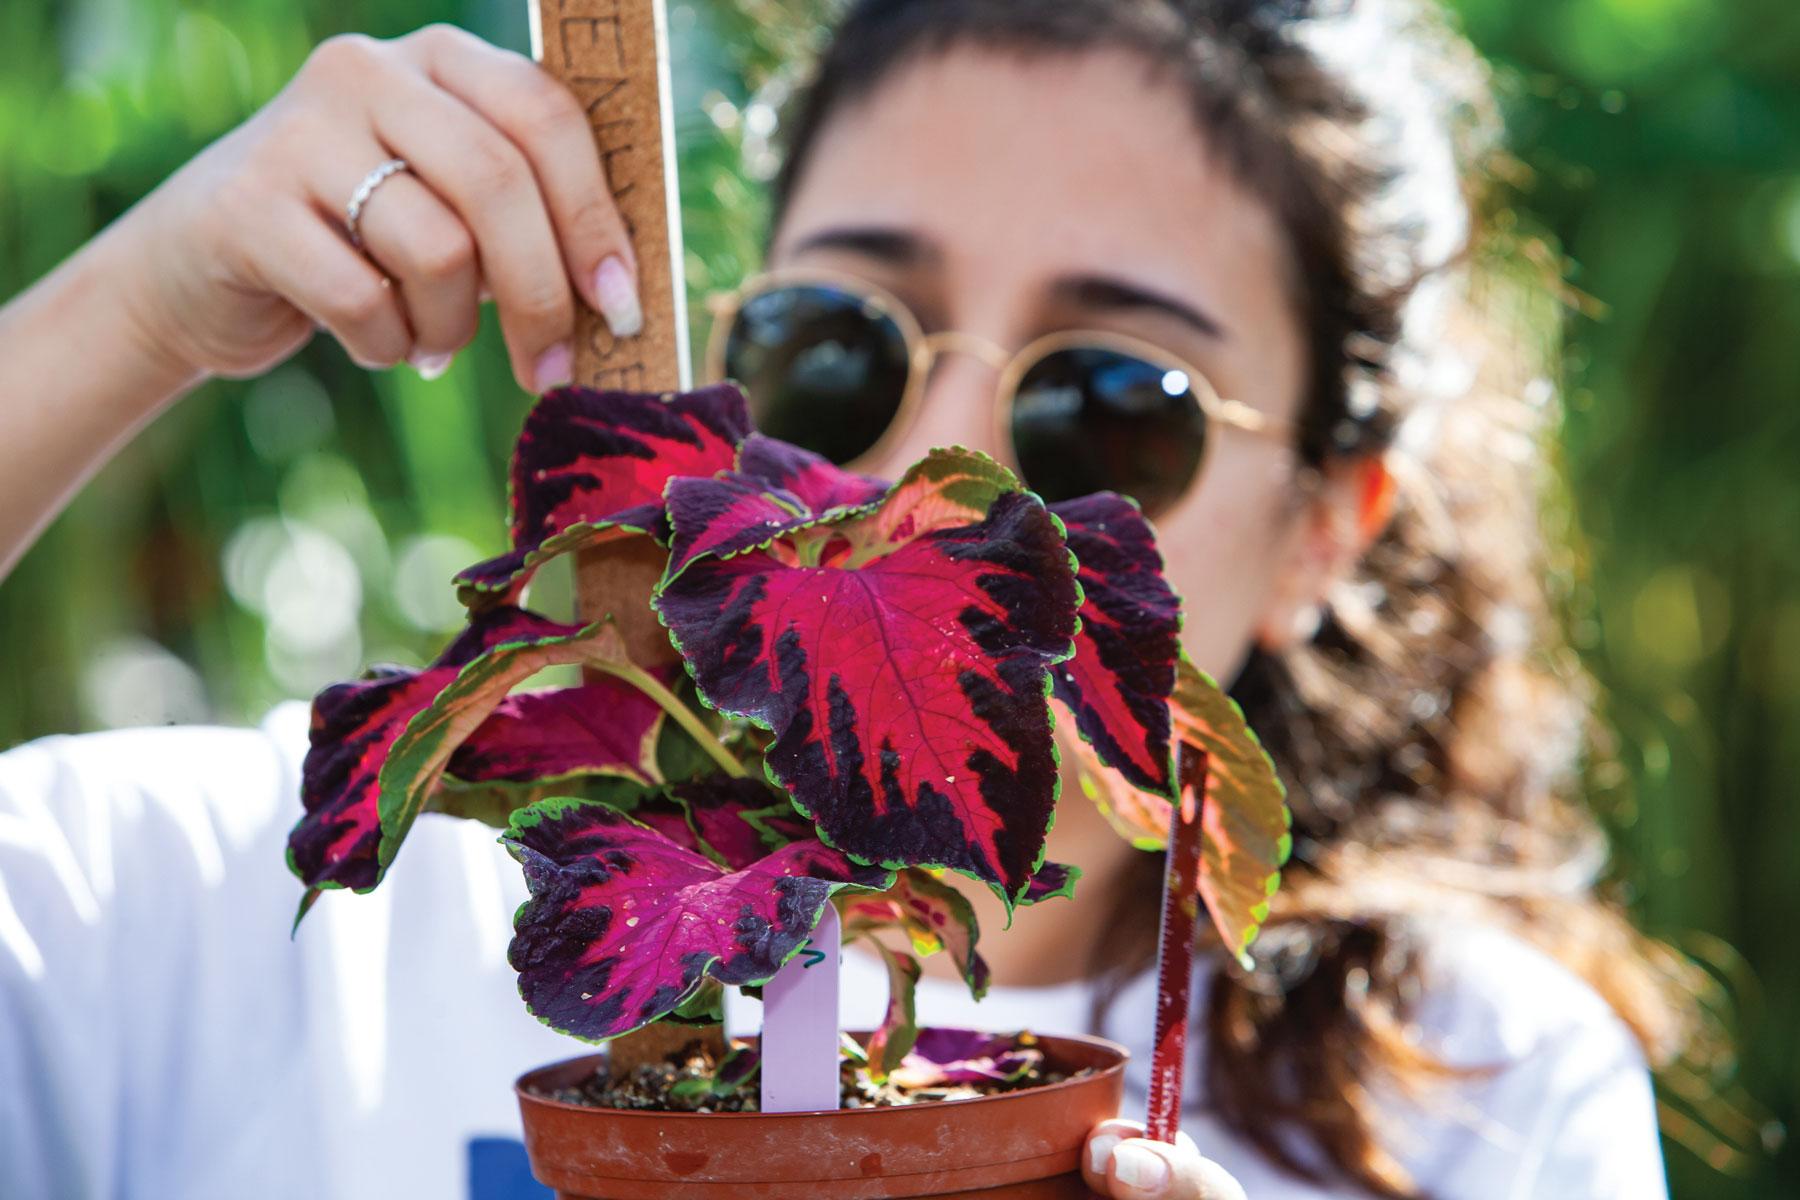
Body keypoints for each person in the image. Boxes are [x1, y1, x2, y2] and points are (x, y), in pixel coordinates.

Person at [0, 2, 1702, 1198]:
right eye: (840, 347)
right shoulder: (256, 914)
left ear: (1331, 524)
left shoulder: (1475, 1097)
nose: (929, 459)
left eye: (1107, 398)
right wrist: (137, 312)